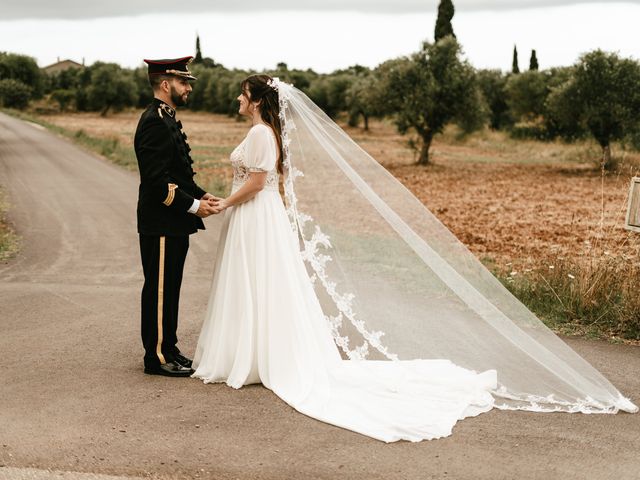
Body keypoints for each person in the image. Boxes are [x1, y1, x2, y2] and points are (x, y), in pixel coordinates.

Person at [192, 75, 637, 442]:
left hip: (254, 213)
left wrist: (226, 204)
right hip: (263, 217)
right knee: (263, 285)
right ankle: (255, 354)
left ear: (254, 101)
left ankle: (249, 356)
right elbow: (274, 182)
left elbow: (256, 182)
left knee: (256, 284)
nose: (236, 98)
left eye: (241, 93)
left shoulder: (257, 133)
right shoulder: (268, 133)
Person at [134, 56, 220, 377]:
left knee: (170, 288)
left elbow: (178, 173)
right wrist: (194, 207)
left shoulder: (166, 118)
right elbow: (158, 182)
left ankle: (168, 348)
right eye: (185, 82)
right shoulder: (155, 120)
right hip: (160, 222)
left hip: (173, 222)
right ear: (166, 84)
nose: (188, 88)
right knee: (158, 290)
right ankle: (155, 357)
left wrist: (200, 195)